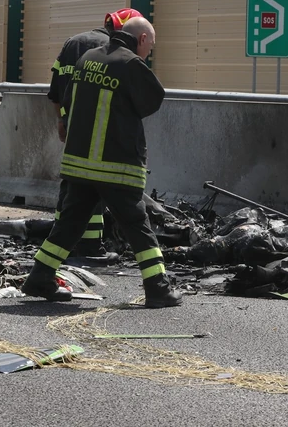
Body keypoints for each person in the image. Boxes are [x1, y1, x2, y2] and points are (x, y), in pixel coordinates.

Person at [23, 16, 182, 308]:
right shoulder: (131, 64)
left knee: (70, 224)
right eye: (150, 46)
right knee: (137, 224)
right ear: (142, 39)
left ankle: (40, 276)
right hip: (115, 164)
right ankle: (158, 288)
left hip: (78, 163)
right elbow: (152, 100)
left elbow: (67, 99)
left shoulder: (87, 59)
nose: (149, 53)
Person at [46, 8, 144, 266]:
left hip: (73, 127)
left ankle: (59, 247)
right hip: (98, 133)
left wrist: (61, 120)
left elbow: (55, 89)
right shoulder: (111, 50)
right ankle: (89, 247)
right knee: (94, 189)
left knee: (71, 189)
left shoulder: (73, 42)